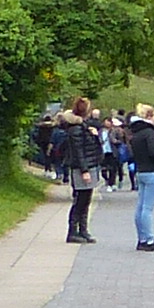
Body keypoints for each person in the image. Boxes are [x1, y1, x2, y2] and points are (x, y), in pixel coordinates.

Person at [125, 104, 154, 251]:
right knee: (148, 208)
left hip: (141, 171)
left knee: (141, 206)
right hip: (152, 171)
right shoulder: (149, 133)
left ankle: (142, 238)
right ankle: (150, 239)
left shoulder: (136, 133)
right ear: (149, 117)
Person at [61, 95, 101, 242]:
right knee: (80, 200)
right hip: (82, 168)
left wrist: (94, 136)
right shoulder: (76, 130)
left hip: (89, 165)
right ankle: (73, 231)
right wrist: (84, 170)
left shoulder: (84, 127)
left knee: (86, 200)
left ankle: (83, 230)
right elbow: (78, 151)